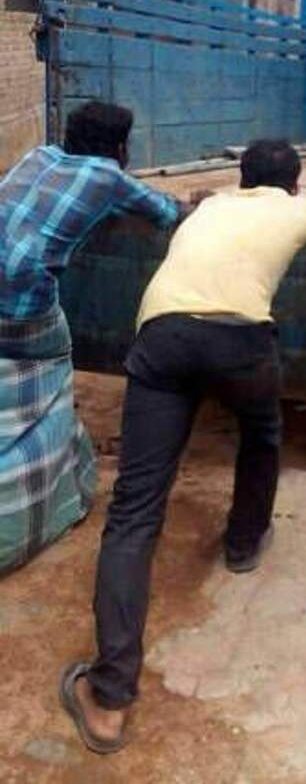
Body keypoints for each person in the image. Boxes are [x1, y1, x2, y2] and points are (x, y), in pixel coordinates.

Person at [59, 137, 306, 755]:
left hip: (164, 339)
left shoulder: (211, 206)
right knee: (261, 434)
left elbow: (194, 209)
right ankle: (244, 542)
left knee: (135, 513)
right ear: (296, 185)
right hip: (242, 344)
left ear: (242, 178)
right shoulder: (301, 210)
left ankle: (110, 699)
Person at [0, 101, 181, 575]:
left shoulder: (37, 155)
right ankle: (58, 483)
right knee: (53, 376)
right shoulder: (109, 177)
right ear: (120, 148)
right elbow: (165, 211)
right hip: (24, 316)